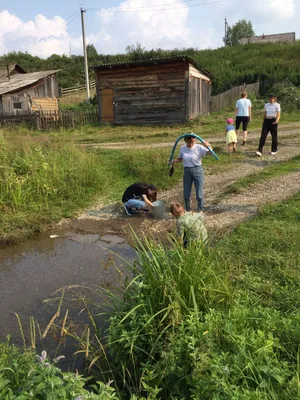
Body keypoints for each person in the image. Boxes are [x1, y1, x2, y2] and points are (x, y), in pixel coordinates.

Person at [171, 135, 212, 212]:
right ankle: (187, 210)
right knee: (186, 194)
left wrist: (208, 146)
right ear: (185, 140)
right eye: (188, 141)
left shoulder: (199, 147)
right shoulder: (183, 148)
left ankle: (200, 209)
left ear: (195, 139)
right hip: (187, 171)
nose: (190, 142)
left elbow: (211, 153)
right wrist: (174, 161)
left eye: (192, 140)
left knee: (199, 194)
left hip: (198, 170)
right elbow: (181, 159)